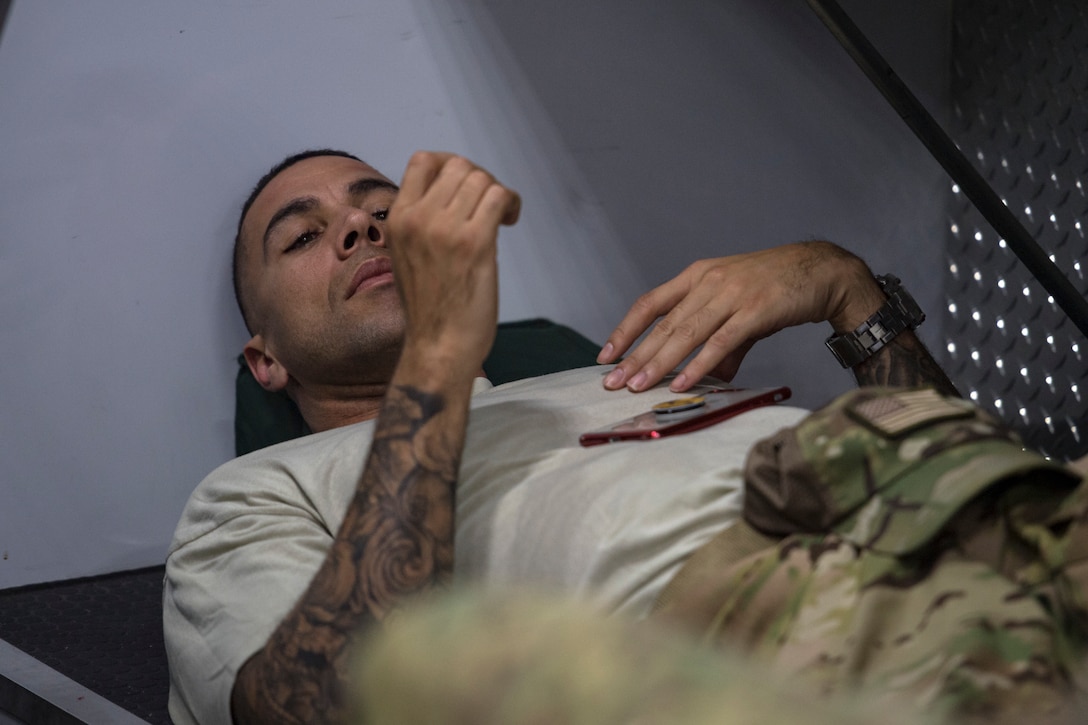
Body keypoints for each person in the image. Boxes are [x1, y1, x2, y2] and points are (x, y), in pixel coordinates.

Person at [163, 149, 961, 724]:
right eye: (304, 237)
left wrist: (848, 290)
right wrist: (440, 352)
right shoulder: (252, 495)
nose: (363, 229)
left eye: (382, 207)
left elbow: (954, 484)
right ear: (264, 359)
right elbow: (312, 708)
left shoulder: (609, 376)